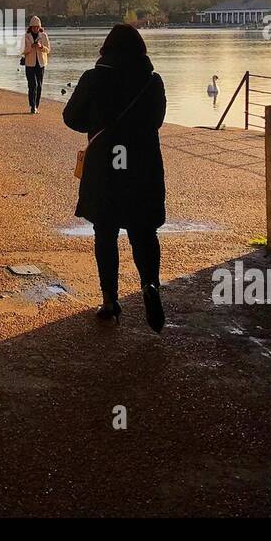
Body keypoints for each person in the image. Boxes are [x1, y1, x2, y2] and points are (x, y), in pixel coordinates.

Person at [62, 23, 167, 332]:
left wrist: (96, 124)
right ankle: (150, 285)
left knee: (105, 233)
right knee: (144, 232)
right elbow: (157, 120)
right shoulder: (152, 82)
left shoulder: (93, 79)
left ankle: (110, 300)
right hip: (142, 165)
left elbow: (70, 117)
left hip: (105, 165)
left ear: (106, 50)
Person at [20, 16, 50, 114]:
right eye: (33, 27)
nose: (35, 29)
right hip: (30, 64)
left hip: (41, 63)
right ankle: (32, 106)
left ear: (39, 27)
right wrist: (31, 47)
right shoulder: (25, 36)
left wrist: (41, 47)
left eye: (37, 27)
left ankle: (36, 105)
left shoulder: (44, 35)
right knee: (32, 85)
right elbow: (22, 51)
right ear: (30, 27)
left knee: (39, 85)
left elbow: (48, 50)